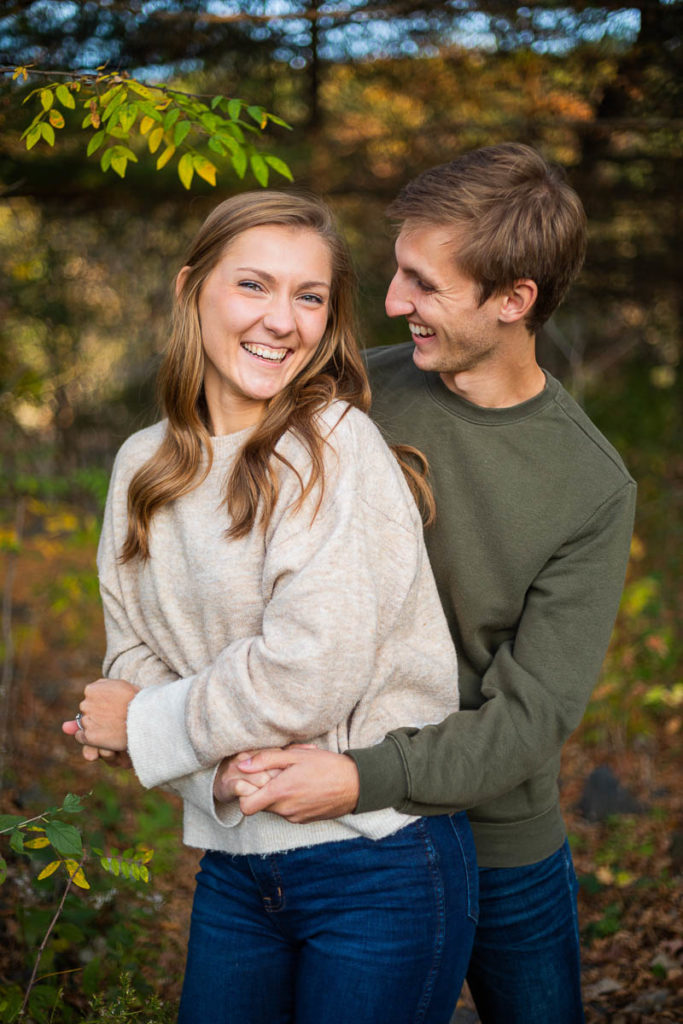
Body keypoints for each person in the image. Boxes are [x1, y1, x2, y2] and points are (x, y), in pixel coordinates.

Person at [217, 144, 637, 1024]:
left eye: (423, 282)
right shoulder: (346, 391)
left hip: (495, 842)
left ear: (513, 299)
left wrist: (357, 775)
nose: (395, 300)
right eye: (397, 272)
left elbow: (528, 719)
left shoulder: (590, 485)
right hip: (337, 836)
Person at [62, 191, 480, 1024]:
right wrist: (215, 761)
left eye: (309, 297)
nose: (281, 321)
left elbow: (304, 675)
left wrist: (146, 725)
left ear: (328, 322)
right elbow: (131, 650)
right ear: (192, 291)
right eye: (253, 285)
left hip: (378, 862)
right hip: (236, 865)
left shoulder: (331, 446)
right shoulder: (142, 463)